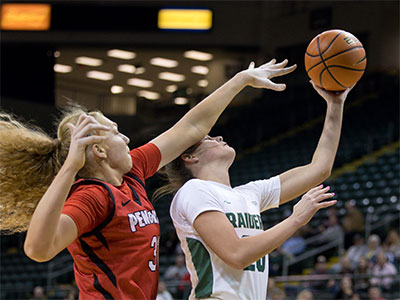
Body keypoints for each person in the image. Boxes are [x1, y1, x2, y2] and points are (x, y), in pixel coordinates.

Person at [0, 59, 295, 299]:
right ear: (100, 151)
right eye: (116, 132)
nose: (127, 137)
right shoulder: (92, 196)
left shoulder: (133, 172)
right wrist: (69, 168)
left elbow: (191, 127)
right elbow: (38, 249)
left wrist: (241, 79)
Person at [156, 79, 354, 299]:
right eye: (209, 139)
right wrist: (295, 219)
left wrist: (335, 105)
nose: (219, 138)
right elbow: (237, 254)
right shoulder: (194, 190)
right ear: (190, 157)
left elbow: (319, 169)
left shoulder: (250, 194)